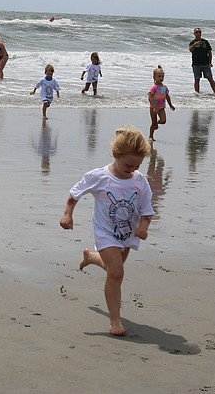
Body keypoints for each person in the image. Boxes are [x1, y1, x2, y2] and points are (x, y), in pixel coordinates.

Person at [59, 126, 154, 337]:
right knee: (117, 273)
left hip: (128, 233)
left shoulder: (140, 182)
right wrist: (67, 214)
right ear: (115, 155)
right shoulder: (99, 177)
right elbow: (74, 194)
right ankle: (115, 320)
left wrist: (143, 228)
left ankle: (92, 257)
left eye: (137, 165)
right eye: (128, 164)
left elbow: (147, 211)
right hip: (105, 232)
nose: (132, 169)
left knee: (114, 268)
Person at [148, 65, 175, 141]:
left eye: (162, 76)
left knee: (163, 121)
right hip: (153, 108)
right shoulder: (154, 87)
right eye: (159, 76)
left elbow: (167, 96)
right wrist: (154, 106)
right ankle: (151, 136)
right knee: (153, 123)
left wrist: (170, 105)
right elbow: (149, 97)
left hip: (161, 107)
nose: (161, 78)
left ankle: (157, 123)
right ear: (154, 77)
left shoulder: (164, 87)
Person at [188, 27, 215, 94]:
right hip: (196, 64)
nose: (198, 33)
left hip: (205, 64)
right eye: (197, 32)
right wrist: (195, 45)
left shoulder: (205, 42)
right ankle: (197, 93)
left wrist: (210, 63)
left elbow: (209, 53)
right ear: (194, 33)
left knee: (210, 78)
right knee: (197, 79)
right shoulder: (192, 42)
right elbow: (190, 50)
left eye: (199, 32)